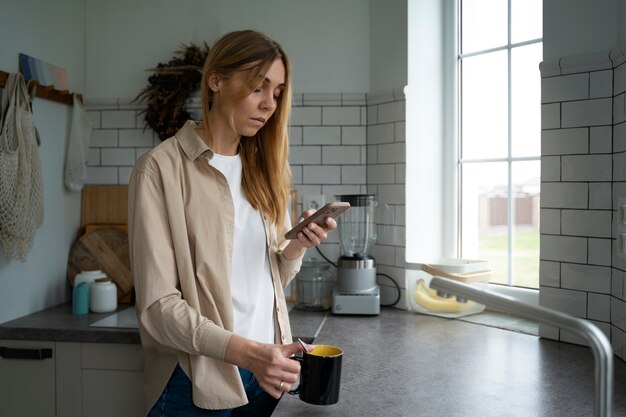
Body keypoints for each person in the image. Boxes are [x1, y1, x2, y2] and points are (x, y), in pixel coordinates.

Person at [128, 30, 337, 417]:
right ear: (216, 80)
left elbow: (270, 278)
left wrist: (297, 247)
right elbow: (158, 306)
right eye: (259, 87)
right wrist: (250, 353)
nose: (269, 104)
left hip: (266, 373)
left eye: (277, 92)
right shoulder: (160, 169)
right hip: (193, 379)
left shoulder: (266, 169)